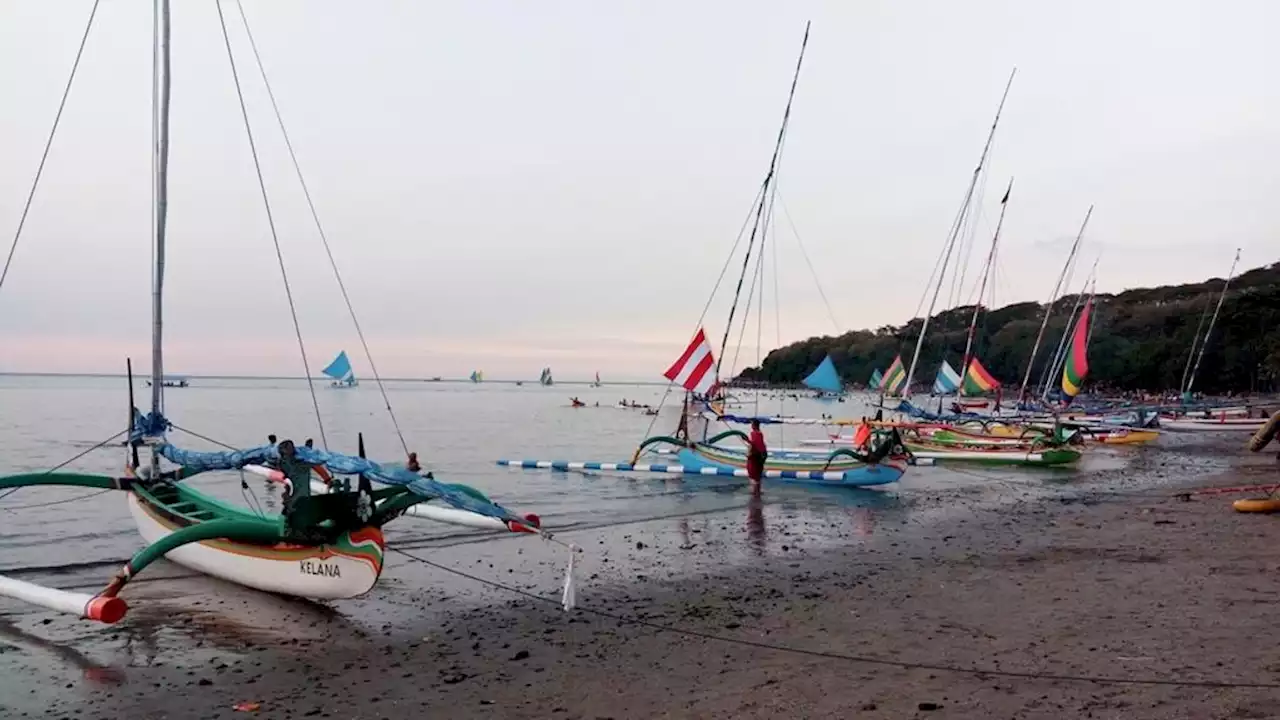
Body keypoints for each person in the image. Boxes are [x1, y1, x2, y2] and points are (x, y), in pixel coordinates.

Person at [746, 419, 767, 497]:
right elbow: (759, 444)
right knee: (757, 475)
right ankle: (757, 491)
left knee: (753, 474)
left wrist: (749, 454)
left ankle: (755, 492)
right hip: (761, 456)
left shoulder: (754, 433)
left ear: (754, 425)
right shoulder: (760, 434)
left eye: (752, 424)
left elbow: (753, 444)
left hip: (756, 456)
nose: (751, 426)